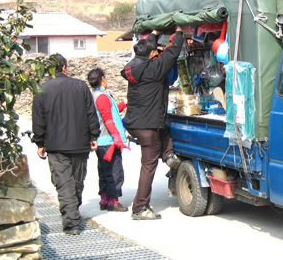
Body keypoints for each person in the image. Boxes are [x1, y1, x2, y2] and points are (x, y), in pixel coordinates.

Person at [31, 53, 99, 235]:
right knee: (76, 182)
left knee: (65, 183)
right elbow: (91, 113)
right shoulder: (80, 86)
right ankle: (72, 217)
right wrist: (94, 135)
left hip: (55, 144)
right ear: (64, 68)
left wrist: (40, 141)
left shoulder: (41, 89)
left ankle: (71, 221)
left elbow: (38, 120)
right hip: (80, 143)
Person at [121, 26, 183, 220]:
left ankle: (168, 155)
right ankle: (139, 207)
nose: (157, 53)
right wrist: (179, 32)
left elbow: (148, 48)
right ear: (151, 54)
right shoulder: (154, 69)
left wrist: (155, 34)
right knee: (148, 166)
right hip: (148, 126)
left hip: (134, 123)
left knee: (162, 130)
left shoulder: (132, 67)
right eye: (155, 51)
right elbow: (173, 52)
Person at [87, 68, 130, 212]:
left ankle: (104, 199)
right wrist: (117, 137)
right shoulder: (103, 97)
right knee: (114, 172)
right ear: (103, 79)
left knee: (104, 171)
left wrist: (124, 103)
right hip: (109, 141)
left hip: (101, 141)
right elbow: (108, 119)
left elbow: (111, 112)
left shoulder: (96, 96)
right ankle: (114, 201)